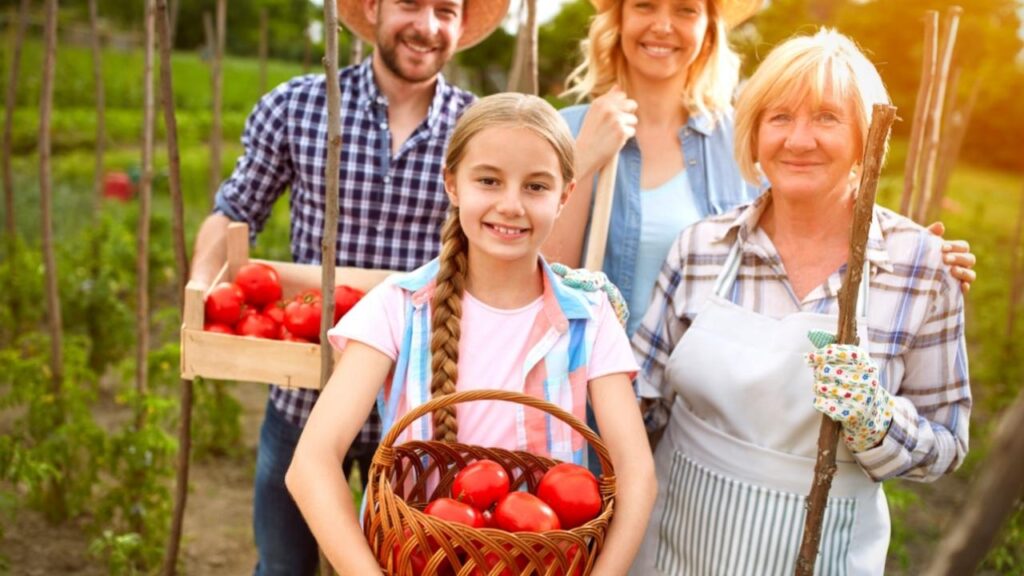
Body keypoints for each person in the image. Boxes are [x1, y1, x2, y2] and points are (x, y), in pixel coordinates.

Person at [631, 29, 971, 575]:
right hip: (675, 546)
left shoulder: (921, 268)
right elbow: (640, 406)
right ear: (755, 132)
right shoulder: (702, 247)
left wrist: (873, 416)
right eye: (780, 117)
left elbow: (948, 444)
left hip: (827, 556)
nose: (799, 139)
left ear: (866, 137)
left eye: (827, 118)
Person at [187, 1, 509, 573]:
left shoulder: (480, 129)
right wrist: (199, 289)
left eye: (447, 10)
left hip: (415, 404)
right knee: (283, 567)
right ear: (372, 8)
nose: (428, 26)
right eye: (411, 3)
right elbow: (234, 210)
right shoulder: (298, 106)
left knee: (403, 564)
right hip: (306, 396)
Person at [285, 93, 657, 575]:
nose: (510, 205)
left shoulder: (589, 316)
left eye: (536, 187)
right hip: (418, 562)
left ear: (565, 195)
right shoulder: (398, 308)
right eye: (488, 180)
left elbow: (637, 474)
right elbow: (310, 463)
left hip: (542, 564)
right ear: (452, 183)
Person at [546, 0, 977, 338]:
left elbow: (814, 223)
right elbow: (542, 279)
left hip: (702, 397)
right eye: (644, 5)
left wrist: (915, 255)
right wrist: (583, 159)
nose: (663, 25)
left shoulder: (744, 137)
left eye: (685, 9)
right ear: (618, 19)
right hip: (591, 396)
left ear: (709, 29)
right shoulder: (567, 129)